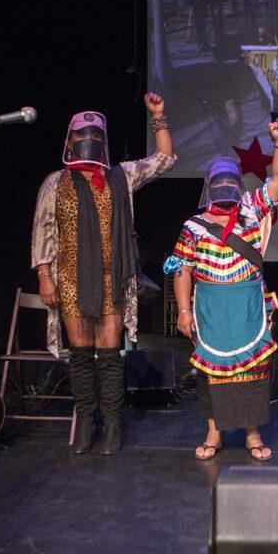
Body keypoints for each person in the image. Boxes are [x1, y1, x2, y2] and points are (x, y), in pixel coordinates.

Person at [32, 93, 175, 455]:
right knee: (81, 355)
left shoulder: (121, 175)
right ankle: (86, 422)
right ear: (70, 140)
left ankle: (112, 424)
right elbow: (43, 230)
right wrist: (44, 274)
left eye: (96, 135)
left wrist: (158, 117)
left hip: (113, 278)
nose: (89, 140)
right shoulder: (56, 182)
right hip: (70, 278)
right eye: (82, 135)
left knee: (109, 356)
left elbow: (163, 160)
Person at [165, 122, 278, 461]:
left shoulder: (252, 209)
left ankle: (252, 433)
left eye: (229, 181)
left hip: (247, 304)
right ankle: (214, 432)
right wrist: (183, 311)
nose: (224, 186)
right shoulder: (194, 226)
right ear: (210, 187)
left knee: (253, 371)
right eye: (218, 182)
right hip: (210, 306)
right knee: (211, 372)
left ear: (238, 184)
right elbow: (182, 270)